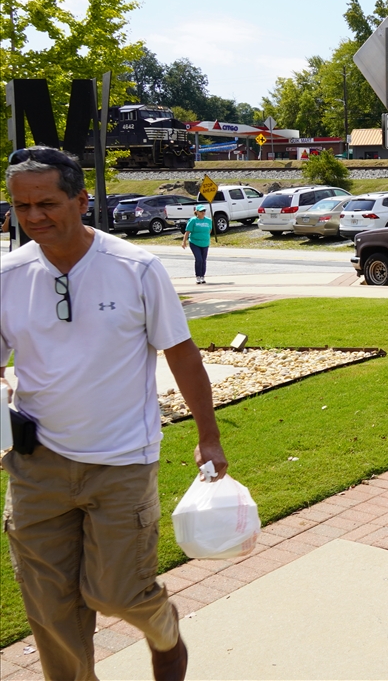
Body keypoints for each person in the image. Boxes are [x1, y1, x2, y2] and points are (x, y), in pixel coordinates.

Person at [1, 147, 228, 681]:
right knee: (50, 605)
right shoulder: (7, 275)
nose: (33, 216)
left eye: (47, 203)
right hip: (36, 466)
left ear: (82, 201)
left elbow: (182, 355)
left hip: (122, 461)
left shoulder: (136, 268)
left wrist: (209, 436)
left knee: (118, 593)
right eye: (21, 205)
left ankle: (164, 631)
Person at [182, 203, 212, 284]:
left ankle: (202, 276)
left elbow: (209, 230)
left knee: (203, 260)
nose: (203, 212)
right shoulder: (193, 220)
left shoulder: (208, 220)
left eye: (204, 211)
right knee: (199, 259)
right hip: (194, 242)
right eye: (201, 211)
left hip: (205, 243)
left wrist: (205, 237)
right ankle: (198, 276)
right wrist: (184, 241)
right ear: (197, 212)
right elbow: (187, 231)